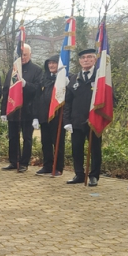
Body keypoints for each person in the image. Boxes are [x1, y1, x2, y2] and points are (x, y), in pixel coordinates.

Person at [1, 43, 42, 172]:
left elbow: (38, 90)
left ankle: (24, 162)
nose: (22, 57)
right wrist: (3, 111)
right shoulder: (12, 70)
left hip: (28, 109)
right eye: (20, 55)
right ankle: (14, 161)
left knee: (27, 138)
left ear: (30, 55)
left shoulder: (37, 70)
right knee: (13, 137)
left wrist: (25, 84)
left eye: (25, 55)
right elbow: (6, 91)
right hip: (13, 109)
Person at [64, 49, 101, 187]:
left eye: (89, 57)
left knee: (95, 149)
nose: (86, 60)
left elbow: (110, 99)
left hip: (94, 121)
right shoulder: (74, 78)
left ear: (94, 60)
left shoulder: (100, 78)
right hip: (77, 121)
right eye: (83, 58)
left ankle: (94, 176)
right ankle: (79, 174)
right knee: (77, 149)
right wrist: (67, 121)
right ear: (80, 61)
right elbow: (67, 102)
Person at [34, 55, 66, 176]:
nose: (51, 65)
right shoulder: (44, 78)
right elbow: (37, 98)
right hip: (44, 116)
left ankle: (58, 167)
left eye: (54, 63)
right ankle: (47, 165)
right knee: (45, 142)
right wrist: (35, 116)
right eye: (49, 63)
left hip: (58, 117)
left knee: (58, 142)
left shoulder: (65, 79)